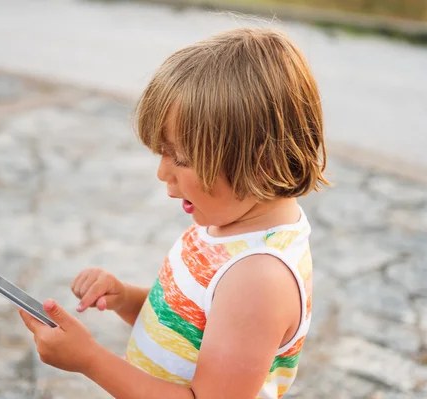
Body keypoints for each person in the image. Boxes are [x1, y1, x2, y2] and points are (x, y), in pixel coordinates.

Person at [19, 27, 328, 399]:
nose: (163, 173)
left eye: (181, 158)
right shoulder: (227, 226)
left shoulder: (258, 279)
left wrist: (89, 359)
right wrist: (127, 298)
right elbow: (194, 326)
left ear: (259, 161)